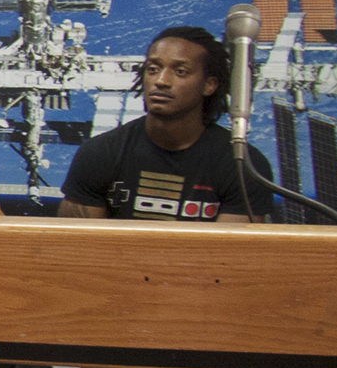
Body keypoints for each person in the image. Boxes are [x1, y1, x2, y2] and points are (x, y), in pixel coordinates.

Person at [58, 25, 266, 222]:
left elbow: (229, 247)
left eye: (180, 71)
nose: (161, 81)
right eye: (153, 69)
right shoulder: (100, 153)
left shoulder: (241, 166)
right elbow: (75, 243)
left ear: (209, 85)